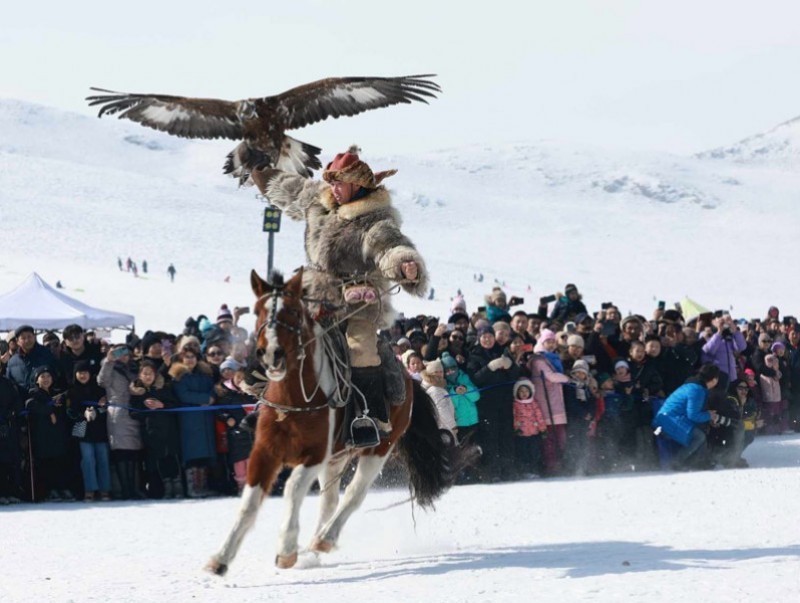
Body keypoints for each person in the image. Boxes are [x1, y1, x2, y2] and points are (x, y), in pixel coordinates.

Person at [251, 145, 427, 447]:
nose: (334, 188)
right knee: (278, 325)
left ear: (357, 185)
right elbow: (291, 191)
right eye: (331, 182)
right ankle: (265, 396)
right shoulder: (320, 202)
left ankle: (370, 417)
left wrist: (405, 265)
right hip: (314, 295)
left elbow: (389, 247)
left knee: (359, 348)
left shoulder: (375, 219)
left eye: (339, 183)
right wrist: (259, 172)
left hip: (360, 301)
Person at [467, 325, 521, 481]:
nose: (487, 339)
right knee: (490, 438)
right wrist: (490, 367)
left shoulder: (503, 352)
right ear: (479, 338)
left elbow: (515, 375)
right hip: (486, 404)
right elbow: (475, 379)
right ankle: (492, 472)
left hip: (504, 402)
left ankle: (509, 471)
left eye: (489, 336)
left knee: (506, 437)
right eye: (484, 337)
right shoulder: (474, 355)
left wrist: (511, 366)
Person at [652, 364, 720, 471]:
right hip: (667, 422)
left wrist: (707, 416)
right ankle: (677, 463)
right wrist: (709, 415)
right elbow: (693, 415)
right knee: (699, 437)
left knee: (701, 431)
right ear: (714, 379)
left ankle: (700, 462)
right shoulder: (697, 390)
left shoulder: (692, 385)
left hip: (668, 419)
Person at [129, 361, 182, 499]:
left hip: (168, 431)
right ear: (140, 375)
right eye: (145, 374)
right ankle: (164, 489)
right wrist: (144, 407)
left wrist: (162, 405)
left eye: (150, 373)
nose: (148, 377)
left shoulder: (163, 387)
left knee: (171, 458)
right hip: (150, 433)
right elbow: (133, 413)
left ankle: (177, 487)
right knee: (156, 462)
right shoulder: (136, 392)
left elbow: (175, 406)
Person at [169, 345, 217, 498]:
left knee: (204, 456)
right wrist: (204, 399)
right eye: (187, 357)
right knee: (192, 454)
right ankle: (192, 487)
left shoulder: (205, 374)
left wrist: (212, 398)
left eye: (192, 357)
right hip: (189, 420)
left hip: (205, 419)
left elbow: (213, 389)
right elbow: (183, 395)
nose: (190, 360)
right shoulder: (178, 376)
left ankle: (202, 486)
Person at [97, 344, 143, 500]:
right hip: (118, 412)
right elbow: (102, 381)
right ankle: (125, 490)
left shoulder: (134, 369)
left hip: (133, 412)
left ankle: (133, 488)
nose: (123, 356)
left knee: (133, 453)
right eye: (119, 352)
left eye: (126, 353)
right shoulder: (111, 368)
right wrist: (108, 361)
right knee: (121, 452)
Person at [25, 366, 74, 501]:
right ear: (37, 380)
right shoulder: (33, 393)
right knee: (47, 465)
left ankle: (62, 489)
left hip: (59, 436)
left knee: (61, 463)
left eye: (48, 376)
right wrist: (50, 411)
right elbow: (30, 405)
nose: (46, 379)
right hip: (43, 437)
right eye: (42, 376)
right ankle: (50, 491)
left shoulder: (58, 394)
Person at [65, 361, 111, 502]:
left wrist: (98, 410)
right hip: (81, 430)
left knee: (103, 459)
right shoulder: (71, 391)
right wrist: (82, 414)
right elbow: (69, 412)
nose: (83, 375)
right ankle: (89, 489)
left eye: (85, 372)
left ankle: (105, 489)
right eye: (80, 372)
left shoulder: (99, 389)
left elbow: (106, 406)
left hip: (99, 429)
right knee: (87, 460)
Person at [6, 325, 58, 397]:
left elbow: (57, 377)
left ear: (34, 337)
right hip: (22, 404)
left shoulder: (47, 354)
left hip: (46, 401)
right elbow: (9, 385)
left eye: (29, 336)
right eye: (23, 338)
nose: (27, 340)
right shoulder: (12, 361)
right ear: (17, 341)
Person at [512, 378, 546, 477]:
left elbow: (539, 417)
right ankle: (524, 471)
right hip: (522, 434)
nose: (524, 393)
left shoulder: (534, 403)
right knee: (523, 453)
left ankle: (534, 470)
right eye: (521, 391)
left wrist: (542, 429)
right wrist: (516, 428)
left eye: (526, 391)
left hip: (534, 433)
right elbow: (514, 417)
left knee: (534, 453)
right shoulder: (516, 404)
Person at [420, 359, 457, 435]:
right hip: (444, 427)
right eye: (436, 372)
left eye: (441, 372)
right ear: (430, 373)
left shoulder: (436, 385)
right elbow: (442, 409)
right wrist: (452, 426)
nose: (439, 374)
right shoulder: (434, 389)